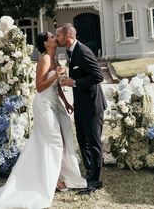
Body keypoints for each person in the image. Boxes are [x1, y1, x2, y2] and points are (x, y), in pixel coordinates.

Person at [0, 32, 86, 209]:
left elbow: (56, 87)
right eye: (51, 37)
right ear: (45, 43)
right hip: (43, 106)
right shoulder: (45, 60)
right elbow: (39, 87)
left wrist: (65, 102)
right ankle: (54, 179)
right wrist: (56, 76)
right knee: (55, 141)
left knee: (55, 141)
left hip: (54, 104)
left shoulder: (55, 58)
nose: (54, 38)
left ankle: (59, 174)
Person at [56, 23, 107, 195]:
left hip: (93, 106)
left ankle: (96, 181)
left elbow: (98, 76)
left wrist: (74, 82)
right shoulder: (71, 52)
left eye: (59, 36)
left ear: (68, 36)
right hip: (81, 106)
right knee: (83, 142)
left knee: (94, 144)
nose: (57, 39)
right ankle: (89, 174)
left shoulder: (83, 51)